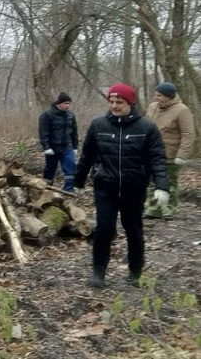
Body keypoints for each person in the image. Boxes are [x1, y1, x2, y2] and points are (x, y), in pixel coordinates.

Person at [75, 83, 169, 288]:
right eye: (111, 101)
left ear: (130, 103)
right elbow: (87, 155)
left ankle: (135, 272)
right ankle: (98, 272)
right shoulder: (98, 125)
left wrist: (162, 186)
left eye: (120, 102)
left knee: (133, 228)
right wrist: (78, 181)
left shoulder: (146, 127)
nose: (115, 106)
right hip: (105, 186)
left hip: (134, 187)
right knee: (104, 229)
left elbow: (157, 159)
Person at [142, 83, 194, 220]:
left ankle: (169, 209)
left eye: (159, 95)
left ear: (168, 96)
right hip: (152, 151)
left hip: (170, 153)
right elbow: (145, 126)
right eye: (156, 95)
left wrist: (182, 154)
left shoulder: (182, 110)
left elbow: (188, 134)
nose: (156, 97)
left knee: (170, 182)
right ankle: (154, 209)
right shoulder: (152, 107)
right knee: (153, 181)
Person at [38, 92, 79, 192]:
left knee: (71, 167)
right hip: (52, 147)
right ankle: (46, 188)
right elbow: (43, 133)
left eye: (69, 103)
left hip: (67, 147)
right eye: (65, 103)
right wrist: (46, 147)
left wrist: (75, 147)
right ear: (59, 103)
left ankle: (69, 189)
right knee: (50, 169)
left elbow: (74, 132)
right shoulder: (47, 115)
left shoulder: (71, 116)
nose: (68, 106)